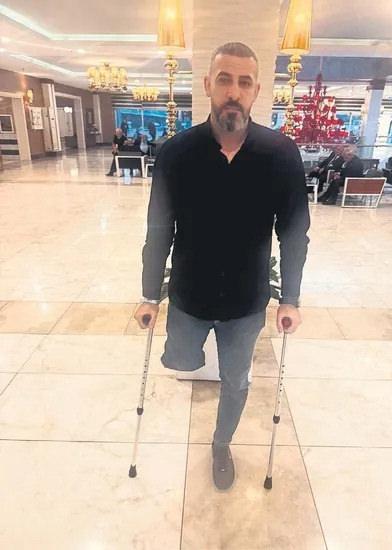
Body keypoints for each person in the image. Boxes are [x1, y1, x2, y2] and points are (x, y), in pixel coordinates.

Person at [133, 42, 310, 490]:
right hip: (189, 295)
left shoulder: (280, 154)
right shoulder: (177, 153)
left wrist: (290, 298)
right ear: (208, 84)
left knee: (236, 381)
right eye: (225, 80)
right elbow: (159, 229)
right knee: (180, 360)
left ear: (256, 91)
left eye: (244, 82)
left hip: (246, 301)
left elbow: (294, 233)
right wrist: (150, 295)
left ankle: (220, 443)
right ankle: (188, 354)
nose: (234, 91)